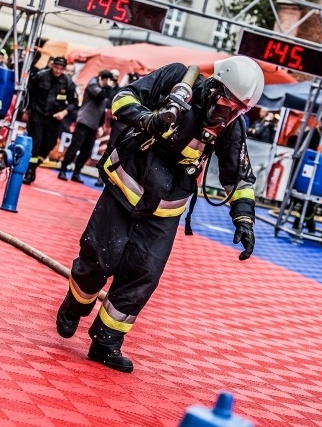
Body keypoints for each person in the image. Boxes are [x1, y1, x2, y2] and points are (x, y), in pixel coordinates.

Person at [54, 56, 264, 372]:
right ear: (214, 86)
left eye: (238, 110)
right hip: (125, 186)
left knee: (142, 275)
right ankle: (76, 304)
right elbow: (123, 99)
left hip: (166, 208)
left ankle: (106, 343)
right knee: (98, 259)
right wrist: (146, 119)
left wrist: (244, 216)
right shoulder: (178, 78)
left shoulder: (231, 123)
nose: (228, 114)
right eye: (226, 104)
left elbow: (238, 174)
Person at [22, 56, 78, 184]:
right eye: (56, 68)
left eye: (61, 69)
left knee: (49, 144)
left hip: (54, 118)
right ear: (52, 65)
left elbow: (73, 102)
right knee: (35, 144)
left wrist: (63, 112)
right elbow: (29, 93)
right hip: (38, 114)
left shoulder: (68, 83)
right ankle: (30, 172)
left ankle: (34, 165)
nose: (58, 71)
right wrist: (27, 110)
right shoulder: (41, 76)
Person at [58, 70, 114, 183]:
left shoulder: (102, 88)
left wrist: (100, 125)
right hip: (84, 121)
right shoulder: (93, 84)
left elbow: (103, 109)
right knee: (75, 146)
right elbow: (101, 95)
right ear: (102, 78)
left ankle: (76, 172)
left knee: (87, 151)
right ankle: (63, 169)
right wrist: (108, 86)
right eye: (107, 80)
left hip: (93, 124)